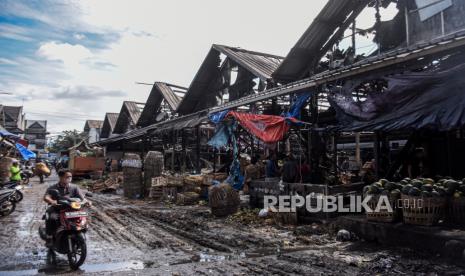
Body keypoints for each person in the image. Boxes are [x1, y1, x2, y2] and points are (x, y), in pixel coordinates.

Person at [43, 169, 88, 245]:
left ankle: (78, 234)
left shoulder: (74, 187)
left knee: (82, 218)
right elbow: (46, 197)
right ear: (60, 177)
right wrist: (52, 201)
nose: (69, 178)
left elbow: (82, 198)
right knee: (51, 218)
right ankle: (49, 237)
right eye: (67, 177)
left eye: (70, 176)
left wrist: (87, 202)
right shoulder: (53, 187)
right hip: (57, 208)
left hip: (72, 209)